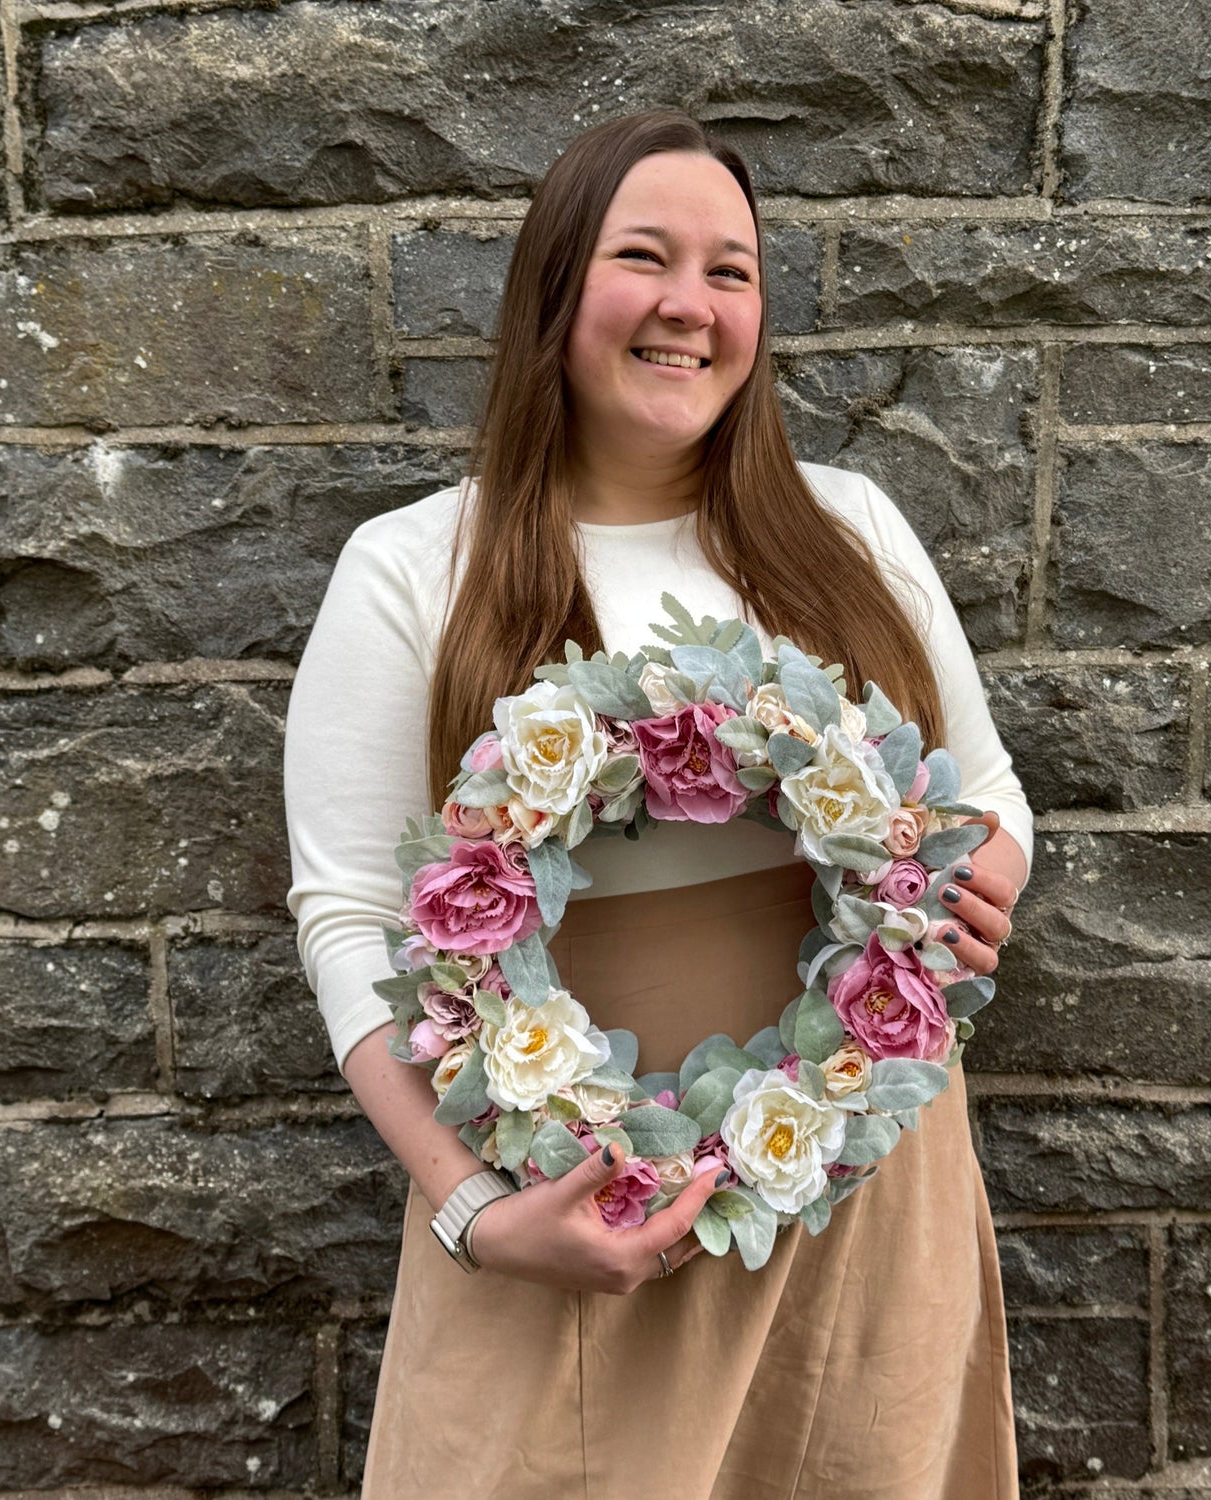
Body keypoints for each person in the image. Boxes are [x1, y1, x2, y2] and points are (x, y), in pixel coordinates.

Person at [284, 107, 1032, 1499]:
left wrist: (982, 875)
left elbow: (987, 799)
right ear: (556, 290)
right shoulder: (413, 571)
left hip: (853, 1179)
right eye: (646, 257)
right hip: (563, 1195)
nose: (691, 305)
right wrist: (475, 1212)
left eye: (732, 272)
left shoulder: (850, 528)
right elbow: (349, 923)